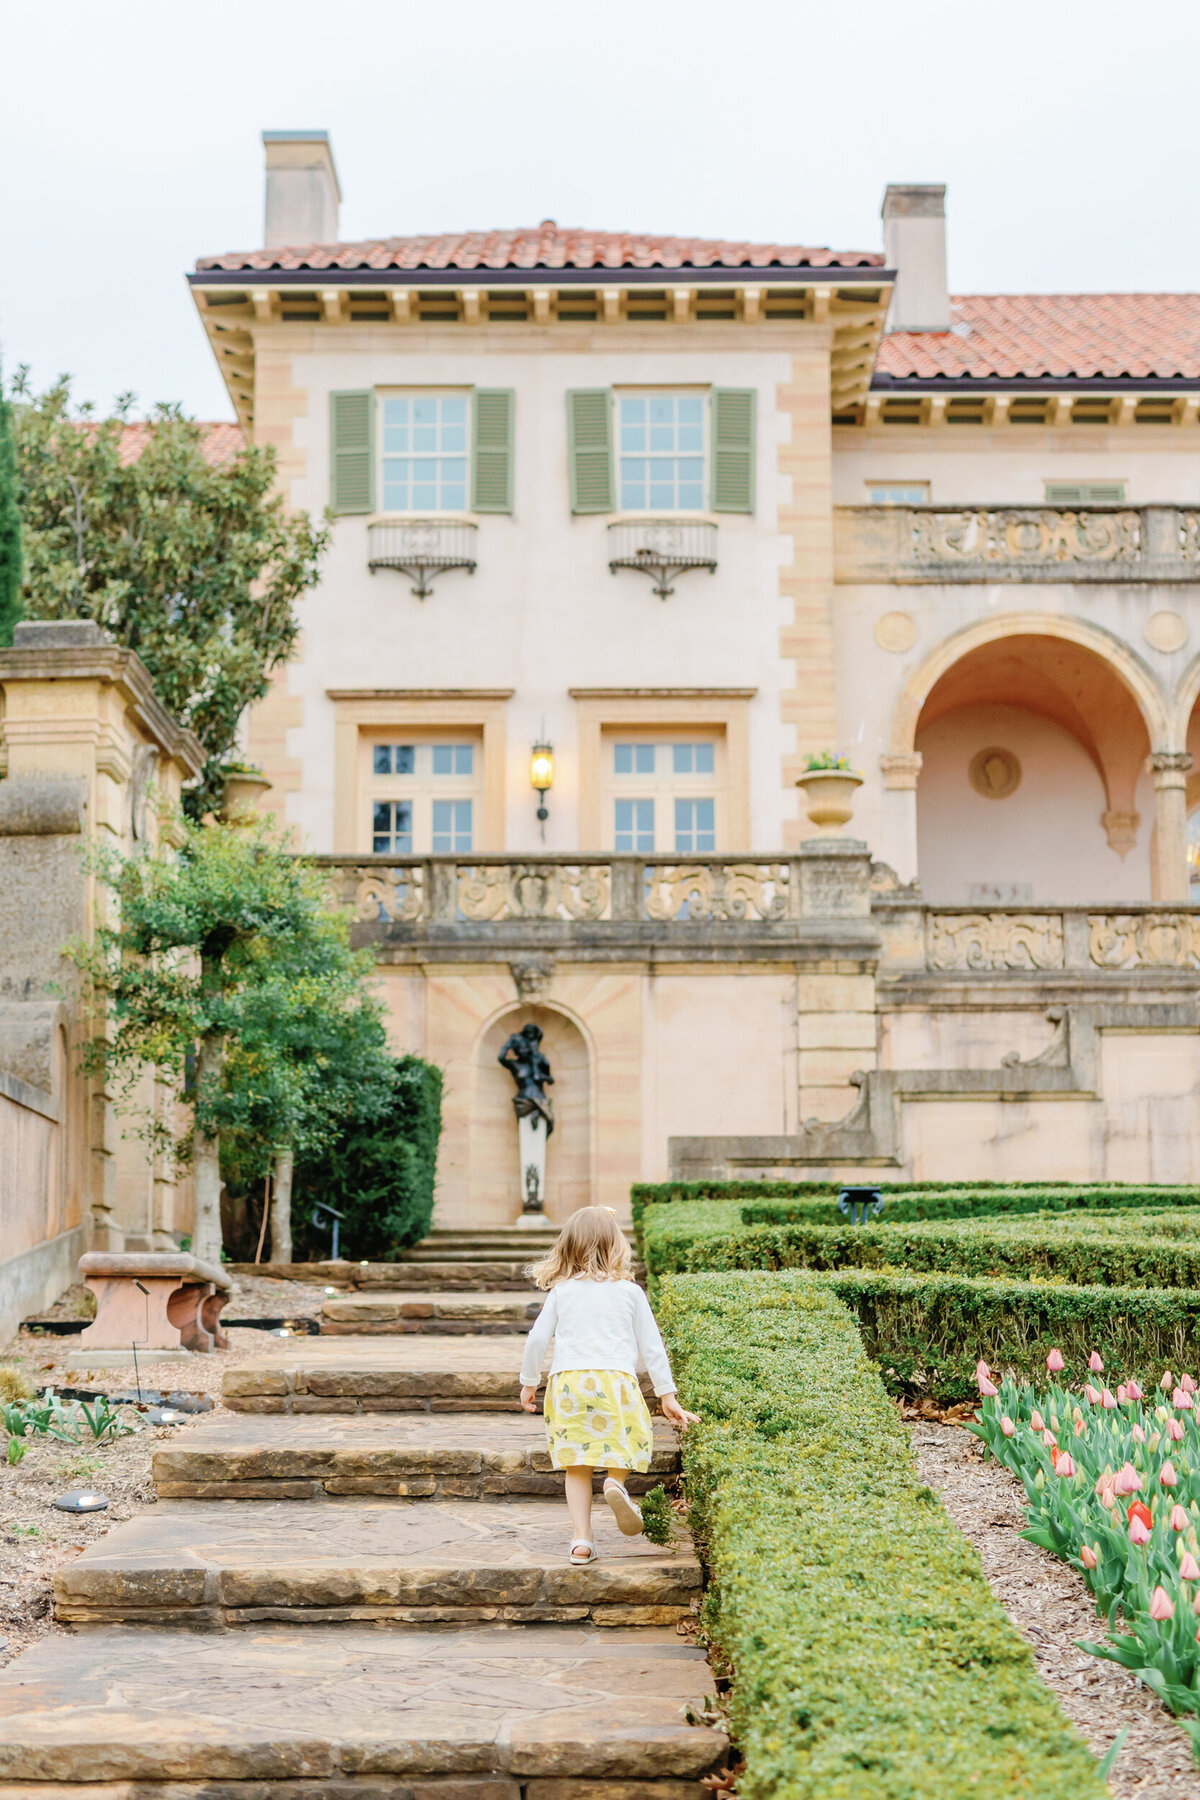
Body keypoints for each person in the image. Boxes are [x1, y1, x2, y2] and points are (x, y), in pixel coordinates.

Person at [519, 1206, 699, 1565]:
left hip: (569, 1383)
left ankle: (581, 1541)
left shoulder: (562, 1291)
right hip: (615, 1381)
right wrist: (668, 1394)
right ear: (616, 1245)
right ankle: (616, 1482)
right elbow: (652, 1347)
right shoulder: (629, 1293)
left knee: (576, 1464)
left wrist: (529, 1382)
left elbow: (537, 1339)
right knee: (630, 1440)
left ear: (567, 1246)